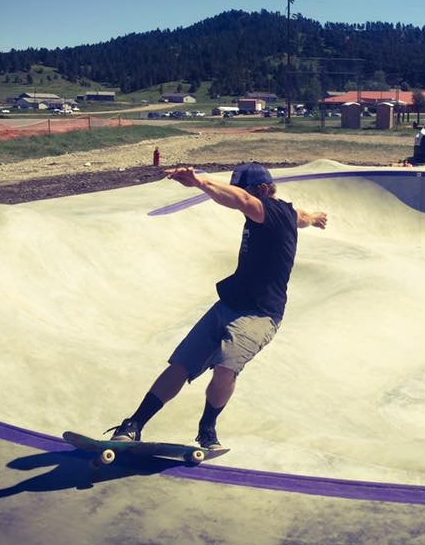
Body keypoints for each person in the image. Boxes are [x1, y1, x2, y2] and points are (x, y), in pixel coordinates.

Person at [106, 162, 328, 450]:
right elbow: (301, 217)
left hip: (260, 314)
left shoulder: (266, 209)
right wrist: (314, 218)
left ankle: (207, 430)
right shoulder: (285, 213)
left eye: (242, 189)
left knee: (225, 368)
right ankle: (133, 425)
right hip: (229, 304)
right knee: (180, 365)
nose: (239, 198)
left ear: (261, 190)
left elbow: (242, 200)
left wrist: (199, 183)